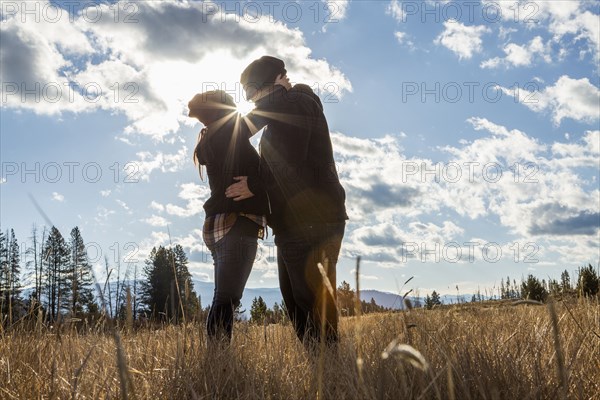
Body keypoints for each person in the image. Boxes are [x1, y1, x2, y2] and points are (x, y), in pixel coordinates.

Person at [225, 56, 348, 347]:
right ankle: (323, 368)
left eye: (253, 95)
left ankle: (328, 369)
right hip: (295, 222)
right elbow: (244, 130)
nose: (252, 102)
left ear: (272, 85)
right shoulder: (284, 110)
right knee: (296, 300)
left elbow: (289, 162)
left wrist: (253, 185)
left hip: (311, 220)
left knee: (309, 301)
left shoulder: (299, 102)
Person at [188, 90, 268, 343]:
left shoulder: (213, 137)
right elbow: (262, 115)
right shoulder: (226, 131)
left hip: (218, 224)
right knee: (227, 298)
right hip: (237, 221)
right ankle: (217, 356)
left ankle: (216, 356)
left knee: (223, 296)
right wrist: (280, 93)